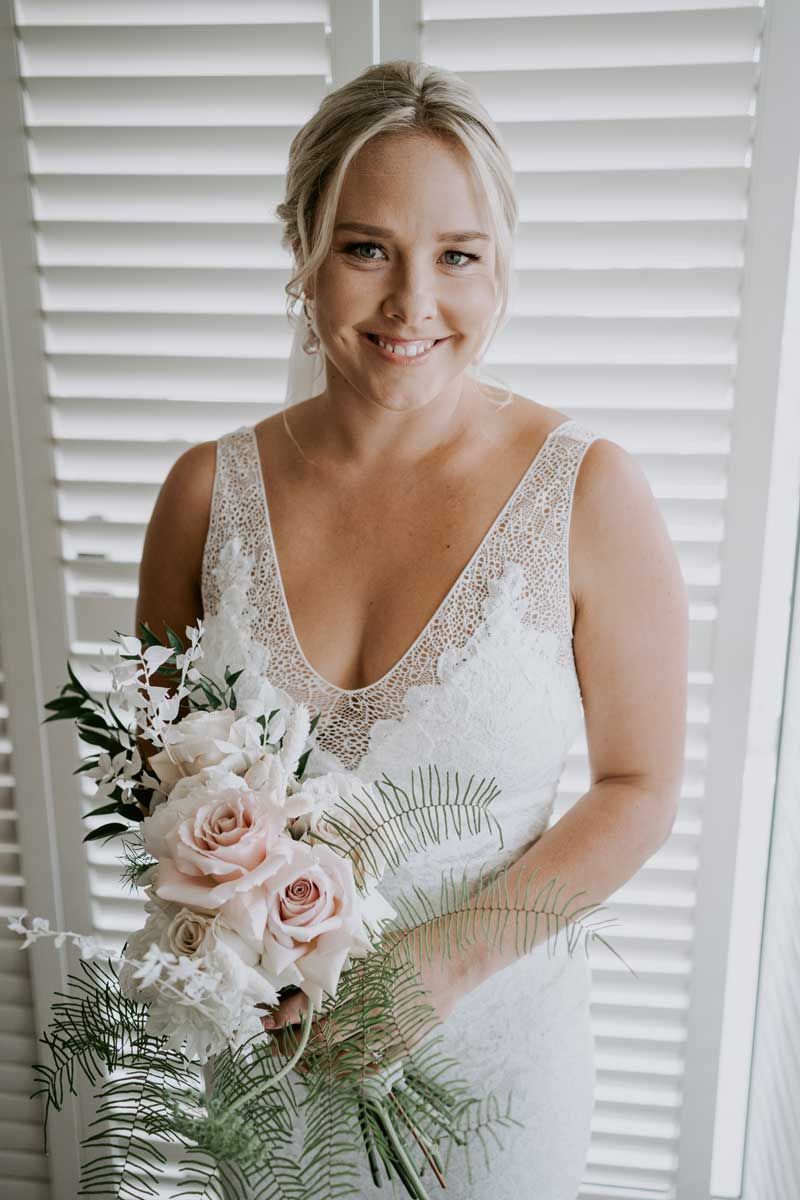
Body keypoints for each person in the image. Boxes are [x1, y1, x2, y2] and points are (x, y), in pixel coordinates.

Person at [135, 60, 688, 1199]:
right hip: (266, 1078)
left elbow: (637, 784)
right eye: (365, 247)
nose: (410, 306)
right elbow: (158, 779)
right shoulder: (202, 495)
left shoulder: (587, 493)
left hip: (489, 1081)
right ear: (303, 249)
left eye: (457, 257)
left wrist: (441, 966)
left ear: (498, 270)